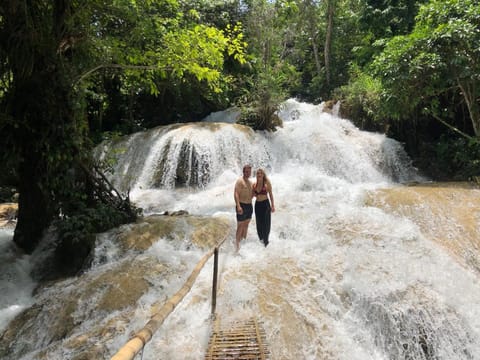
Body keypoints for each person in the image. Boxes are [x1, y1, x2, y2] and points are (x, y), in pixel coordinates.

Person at [253, 168, 275, 247]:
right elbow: (253, 195)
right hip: (257, 205)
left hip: (265, 204)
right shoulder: (254, 184)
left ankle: (266, 241)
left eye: (261, 173)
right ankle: (261, 241)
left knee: (266, 223)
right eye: (258, 173)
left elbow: (271, 194)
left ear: (263, 174)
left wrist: (272, 205)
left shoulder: (267, 182)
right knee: (259, 223)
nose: (259, 175)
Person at [234, 164, 253, 252]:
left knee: (246, 225)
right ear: (243, 172)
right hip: (241, 205)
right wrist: (238, 205)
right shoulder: (240, 181)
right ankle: (237, 245)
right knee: (240, 226)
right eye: (246, 171)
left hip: (249, 206)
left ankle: (243, 242)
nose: (247, 173)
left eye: (249, 172)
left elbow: (252, 194)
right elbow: (236, 193)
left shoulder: (250, 183)